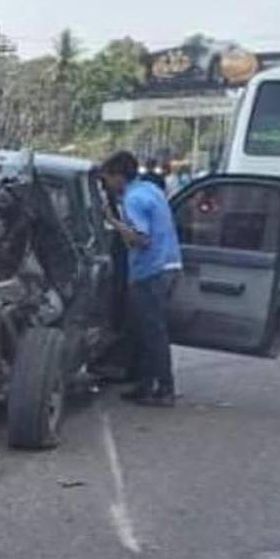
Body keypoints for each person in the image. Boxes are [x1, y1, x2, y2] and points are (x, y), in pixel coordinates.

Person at [100, 150, 183, 407]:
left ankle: (164, 389)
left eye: (108, 179)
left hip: (151, 271)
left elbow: (141, 239)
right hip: (169, 266)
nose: (107, 185)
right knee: (145, 331)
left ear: (118, 177)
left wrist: (112, 221)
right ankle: (146, 385)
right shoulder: (151, 190)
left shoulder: (133, 199)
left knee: (153, 333)